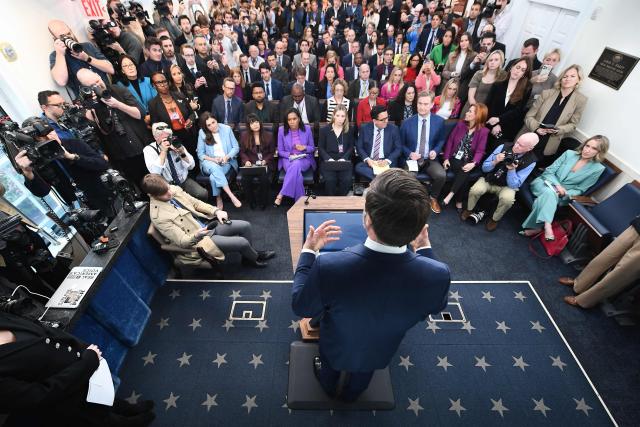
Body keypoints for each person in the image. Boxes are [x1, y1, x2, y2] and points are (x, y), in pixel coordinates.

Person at [292, 168, 451, 401]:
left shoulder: (330, 266)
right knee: (362, 377)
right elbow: (436, 305)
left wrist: (308, 252)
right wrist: (425, 248)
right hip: (381, 351)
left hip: (336, 347)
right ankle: (354, 393)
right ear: (419, 228)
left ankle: (328, 384)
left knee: (329, 370)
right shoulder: (438, 274)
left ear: (367, 219)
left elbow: (301, 306)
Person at [0, 310, 156, 426]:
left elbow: (42, 330)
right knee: (101, 419)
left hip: (79, 366)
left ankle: (128, 409)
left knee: (105, 395)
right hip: (66, 398)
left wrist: (80, 346)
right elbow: (40, 395)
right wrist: (87, 363)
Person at [142, 174, 275, 268]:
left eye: (168, 188)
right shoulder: (159, 216)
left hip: (207, 225)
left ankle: (248, 257)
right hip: (199, 240)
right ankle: (254, 258)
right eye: (165, 194)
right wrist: (197, 235)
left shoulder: (173, 189)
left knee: (245, 226)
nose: (170, 193)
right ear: (153, 196)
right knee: (242, 242)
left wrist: (216, 211)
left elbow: (196, 203)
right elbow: (182, 241)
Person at [14, 117, 112, 216]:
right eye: (41, 136)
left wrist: (72, 157)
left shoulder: (74, 144)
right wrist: (27, 173)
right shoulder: (39, 161)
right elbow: (42, 192)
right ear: (35, 141)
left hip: (104, 197)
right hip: (82, 212)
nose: (49, 137)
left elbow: (102, 164)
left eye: (50, 131)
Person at [521, 136, 608, 240]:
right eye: (587, 145)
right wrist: (557, 185)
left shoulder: (598, 169)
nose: (588, 150)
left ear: (599, 152)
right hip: (544, 183)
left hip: (562, 195)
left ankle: (540, 227)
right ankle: (547, 226)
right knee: (550, 192)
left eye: (594, 148)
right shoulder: (569, 154)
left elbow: (581, 189)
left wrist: (565, 193)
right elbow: (549, 171)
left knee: (548, 195)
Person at [76, 68, 149, 189]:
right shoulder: (90, 103)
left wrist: (117, 104)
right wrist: (89, 106)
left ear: (99, 75)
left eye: (97, 81)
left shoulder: (118, 89)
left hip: (141, 145)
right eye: (92, 86)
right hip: (121, 154)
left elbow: (140, 113)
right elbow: (93, 127)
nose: (97, 85)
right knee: (141, 185)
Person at [461, 132, 540, 231]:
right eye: (517, 142)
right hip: (490, 178)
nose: (516, 146)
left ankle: (495, 219)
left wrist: (512, 170)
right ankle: (469, 209)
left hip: (507, 186)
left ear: (530, 148)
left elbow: (514, 185)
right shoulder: (503, 146)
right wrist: (495, 161)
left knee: (508, 200)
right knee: (475, 190)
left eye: (521, 145)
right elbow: (484, 168)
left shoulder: (531, 162)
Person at [559, 216, 640, 308]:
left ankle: (585, 300)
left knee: (619, 274)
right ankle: (579, 283)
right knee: (605, 256)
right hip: (636, 227)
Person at [522, 64, 588, 164]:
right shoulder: (547, 93)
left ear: (578, 79)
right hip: (531, 134)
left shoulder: (581, 100)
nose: (567, 79)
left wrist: (559, 130)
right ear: (561, 79)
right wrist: (537, 128)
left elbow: (573, 125)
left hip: (550, 142)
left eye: (572, 76)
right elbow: (529, 116)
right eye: (565, 76)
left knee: (532, 168)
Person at [400, 91, 446, 213]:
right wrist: (410, 153)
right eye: (420, 103)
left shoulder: (439, 122)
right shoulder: (407, 122)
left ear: (432, 105)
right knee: (410, 178)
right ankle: (411, 202)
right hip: (412, 159)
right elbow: (401, 144)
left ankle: (433, 198)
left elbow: (441, 140)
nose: (422, 107)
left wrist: (436, 151)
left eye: (426, 104)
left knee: (441, 175)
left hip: (429, 159)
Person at [143, 122, 208, 201]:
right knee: (181, 204)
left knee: (203, 194)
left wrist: (182, 153)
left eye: (169, 137)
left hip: (183, 181)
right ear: (155, 137)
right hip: (167, 186)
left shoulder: (175, 143)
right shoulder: (149, 150)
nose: (168, 141)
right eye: (165, 138)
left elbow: (191, 166)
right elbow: (155, 173)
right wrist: (163, 152)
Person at [48, 20, 114, 97]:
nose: (68, 38)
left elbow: (110, 69)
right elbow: (61, 81)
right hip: (89, 100)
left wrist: (88, 58)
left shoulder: (87, 46)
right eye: (63, 36)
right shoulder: (56, 56)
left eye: (69, 33)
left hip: (109, 92)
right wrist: (60, 54)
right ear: (55, 38)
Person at [441, 103, 489, 209]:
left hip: (469, 160)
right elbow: (450, 141)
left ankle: (452, 195)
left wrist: (474, 163)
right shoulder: (460, 124)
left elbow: (480, 151)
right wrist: (446, 159)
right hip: (454, 158)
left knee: (466, 169)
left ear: (478, 115)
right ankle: (456, 198)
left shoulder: (484, 131)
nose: (466, 113)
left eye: (470, 111)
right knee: (464, 170)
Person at [148, 71, 198, 162]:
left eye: (164, 81)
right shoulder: (153, 104)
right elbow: (156, 126)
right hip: (172, 138)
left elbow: (191, 113)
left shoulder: (179, 95)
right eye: (159, 83)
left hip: (188, 133)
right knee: (183, 161)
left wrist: (190, 120)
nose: (163, 84)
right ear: (153, 85)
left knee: (194, 158)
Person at [484, 57, 532, 152]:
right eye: (517, 67)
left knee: (494, 154)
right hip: (490, 124)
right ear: (511, 67)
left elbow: (518, 111)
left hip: (507, 129)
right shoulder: (498, 85)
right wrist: (495, 125)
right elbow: (489, 105)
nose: (518, 71)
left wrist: (499, 121)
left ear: (524, 74)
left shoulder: (526, 89)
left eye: (522, 70)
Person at [197, 113, 242, 209]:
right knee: (214, 167)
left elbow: (236, 147)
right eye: (209, 125)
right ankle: (231, 195)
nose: (212, 126)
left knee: (214, 177)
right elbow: (200, 154)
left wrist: (227, 157)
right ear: (205, 127)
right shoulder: (202, 133)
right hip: (209, 162)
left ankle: (218, 198)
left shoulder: (226, 129)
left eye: (213, 122)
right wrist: (213, 159)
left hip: (225, 161)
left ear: (216, 120)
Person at [274, 108, 316, 205]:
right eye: (289, 120)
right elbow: (280, 151)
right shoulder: (281, 130)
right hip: (288, 159)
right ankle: (300, 204)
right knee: (298, 175)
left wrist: (304, 147)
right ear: (286, 121)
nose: (292, 122)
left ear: (299, 119)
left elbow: (312, 148)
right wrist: (290, 154)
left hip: (304, 159)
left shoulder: (307, 129)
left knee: (296, 165)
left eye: (294, 119)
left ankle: (281, 194)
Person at [355, 105, 401, 180]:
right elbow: (359, 147)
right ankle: (382, 178)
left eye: (387, 117)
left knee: (394, 169)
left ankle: (377, 179)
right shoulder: (365, 128)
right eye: (383, 119)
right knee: (359, 167)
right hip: (371, 162)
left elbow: (398, 149)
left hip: (386, 161)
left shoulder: (394, 129)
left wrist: (387, 161)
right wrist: (368, 160)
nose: (386, 121)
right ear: (374, 120)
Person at [239, 115, 276, 209]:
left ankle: (263, 202)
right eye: (252, 123)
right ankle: (251, 201)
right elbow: (242, 152)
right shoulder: (244, 136)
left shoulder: (269, 135)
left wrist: (265, 160)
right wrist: (246, 161)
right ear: (248, 126)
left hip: (265, 164)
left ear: (260, 123)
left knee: (264, 179)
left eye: (256, 122)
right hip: (251, 164)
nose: (255, 125)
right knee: (245, 179)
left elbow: (272, 153)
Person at [318, 105, 354, 196]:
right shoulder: (324, 130)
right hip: (329, 161)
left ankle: (342, 201)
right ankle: (331, 202)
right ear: (333, 115)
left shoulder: (349, 130)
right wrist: (328, 159)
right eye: (337, 115)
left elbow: (351, 147)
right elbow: (321, 148)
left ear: (346, 117)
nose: (340, 119)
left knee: (347, 180)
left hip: (344, 161)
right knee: (330, 180)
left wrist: (344, 158)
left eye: (342, 116)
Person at [460, 49, 506, 117]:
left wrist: (481, 113)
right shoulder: (479, 74)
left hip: (484, 113)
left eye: (496, 60)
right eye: (491, 60)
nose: (492, 62)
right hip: (470, 109)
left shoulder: (503, 77)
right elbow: (471, 96)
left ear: (501, 62)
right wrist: (476, 110)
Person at [441, 32, 476, 103]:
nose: (463, 43)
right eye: (461, 41)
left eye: (466, 40)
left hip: (461, 89)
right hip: (448, 87)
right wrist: (452, 74)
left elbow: (471, 73)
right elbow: (444, 72)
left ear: (470, 42)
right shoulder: (452, 54)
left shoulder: (474, 56)